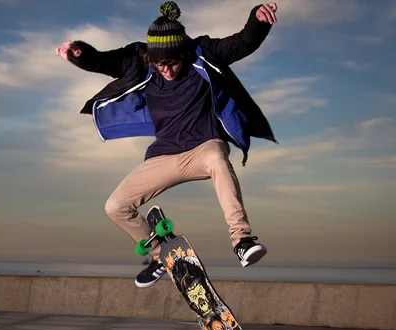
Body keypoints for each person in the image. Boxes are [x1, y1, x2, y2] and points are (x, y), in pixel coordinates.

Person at [55, 2, 278, 288]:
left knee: (218, 161)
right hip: (164, 155)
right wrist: (79, 53)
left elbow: (241, 43)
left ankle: (242, 240)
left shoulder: (203, 53)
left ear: (182, 54)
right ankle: (162, 255)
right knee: (115, 206)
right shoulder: (139, 60)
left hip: (203, 147)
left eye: (172, 62)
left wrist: (258, 20)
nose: (166, 69)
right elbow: (103, 61)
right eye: (159, 64)